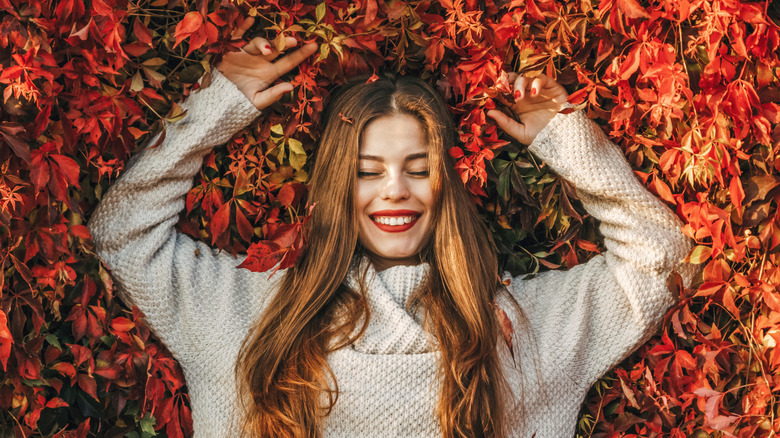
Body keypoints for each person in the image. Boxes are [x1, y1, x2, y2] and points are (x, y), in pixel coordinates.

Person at [87, 17, 693, 438]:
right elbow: (121, 234)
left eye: (418, 168)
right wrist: (217, 108)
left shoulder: (523, 329)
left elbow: (664, 261)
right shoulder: (244, 313)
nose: (395, 189)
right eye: (367, 171)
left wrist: (566, 139)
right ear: (333, 186)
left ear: (446, 187)